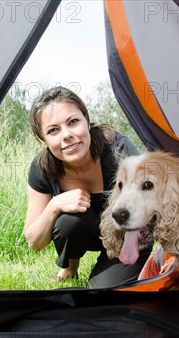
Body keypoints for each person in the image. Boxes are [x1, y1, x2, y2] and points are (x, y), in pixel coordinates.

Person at [23, 86, 153, 288]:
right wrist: (55, 205)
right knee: (68, 223)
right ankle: (70, 265)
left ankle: (113, 269)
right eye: (53, 130)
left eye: (73, 122)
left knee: (104, 292)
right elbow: (34, 242)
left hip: (126, 234)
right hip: (86, 228)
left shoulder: (118, 150)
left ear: (87, 120)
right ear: (43, 140)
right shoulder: (42, 167)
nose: (66, 135)